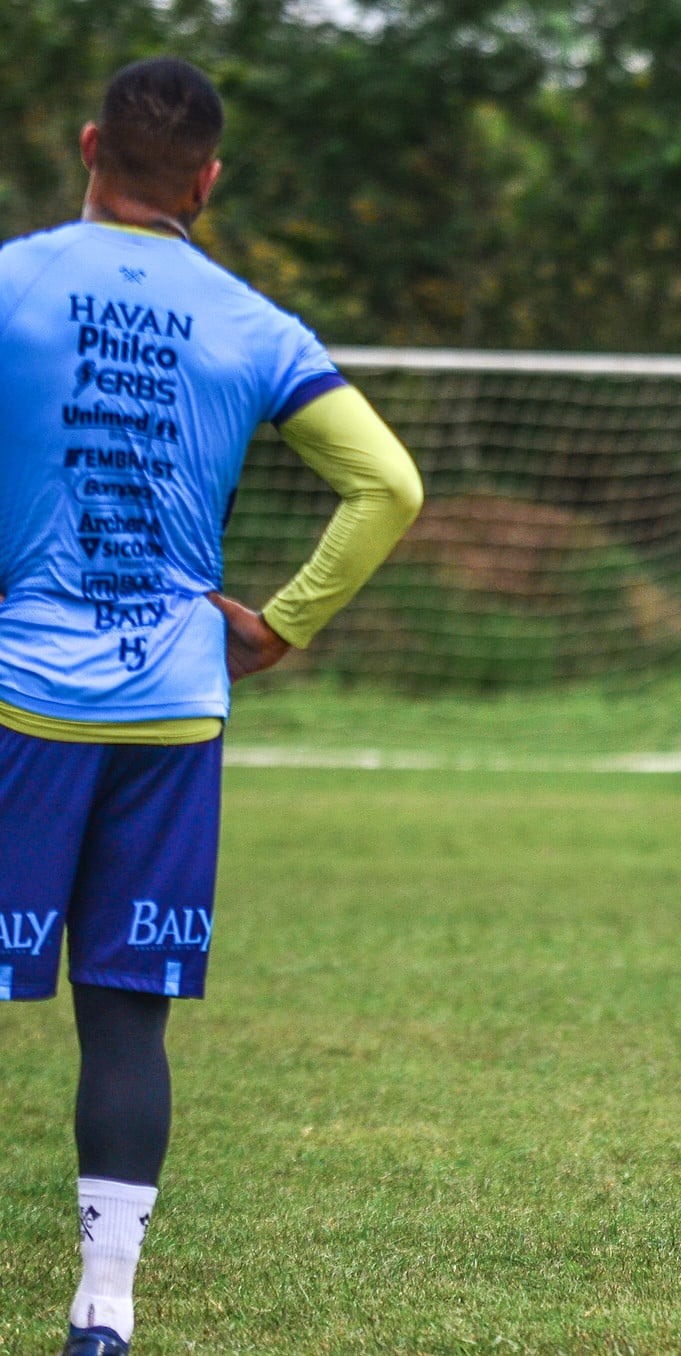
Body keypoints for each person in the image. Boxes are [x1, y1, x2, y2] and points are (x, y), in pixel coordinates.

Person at [0, 58, 423, 1356]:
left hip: (18, 705)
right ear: (207, 181)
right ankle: (104, 1309)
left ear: (87, 146)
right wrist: (283, 622)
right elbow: (390, 489)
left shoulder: (13, 281)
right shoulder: (250, 322)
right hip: (174, 714)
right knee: (127, 1015)